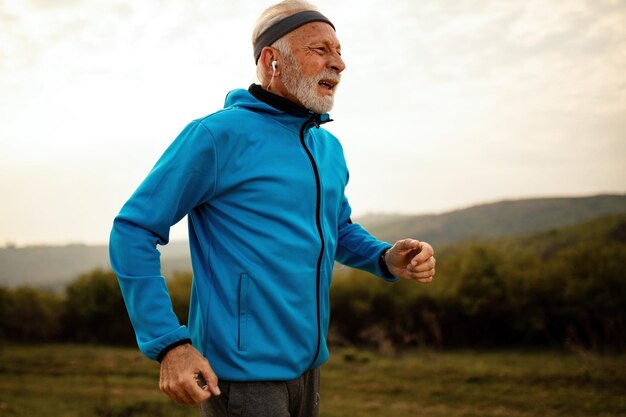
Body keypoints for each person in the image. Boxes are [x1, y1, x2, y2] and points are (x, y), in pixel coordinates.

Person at [109, 1, 436, 416]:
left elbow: (336, 228)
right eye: (320, 50)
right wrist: (170, 343)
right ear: (272, 61)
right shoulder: (215, 136)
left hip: (308, 368)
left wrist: (384, 258)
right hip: (240, 379)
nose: (339, 63)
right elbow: (133, 230)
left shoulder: (328, 148)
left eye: (339, 50)